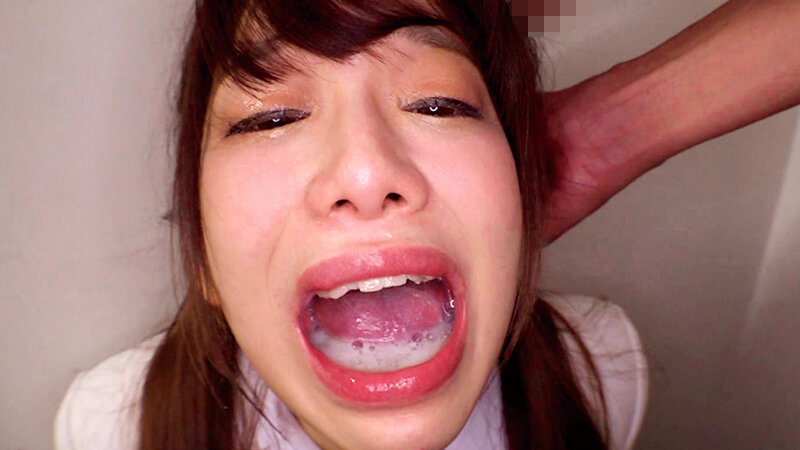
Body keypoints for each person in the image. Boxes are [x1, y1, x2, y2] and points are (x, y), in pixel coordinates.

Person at [53, 0, 800, 449]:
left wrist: (613, 131)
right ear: (205, 259)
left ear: (524, 197)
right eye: (270, 117)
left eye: (440, 102)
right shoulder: (111, 424)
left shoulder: (603, 371)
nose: (365, 171)